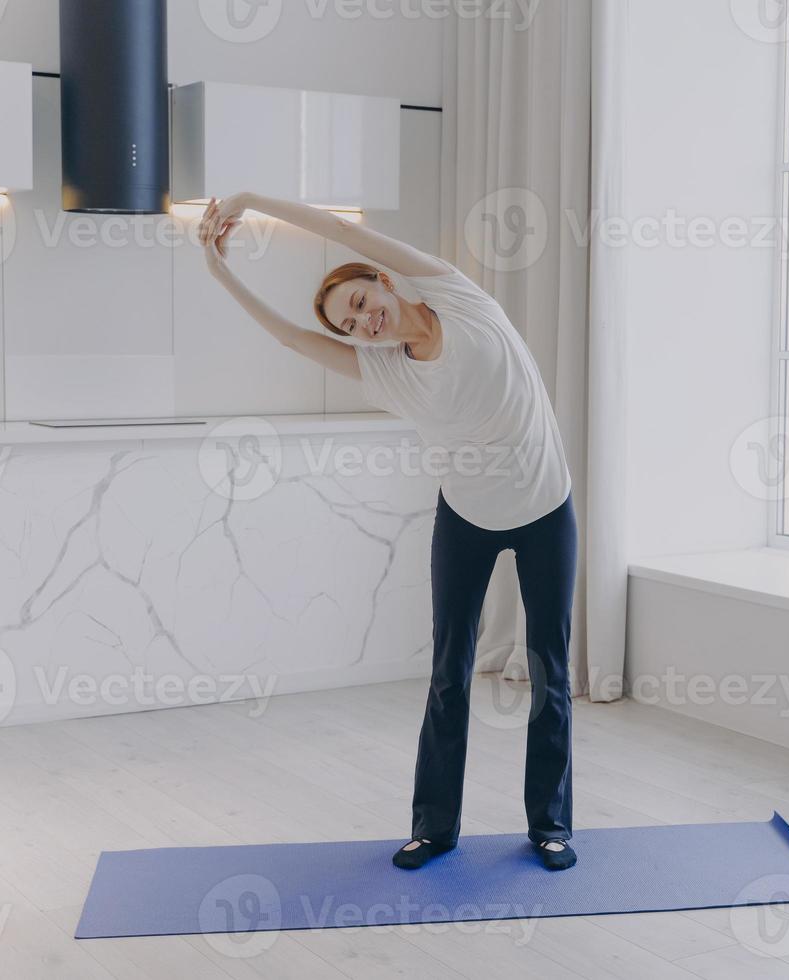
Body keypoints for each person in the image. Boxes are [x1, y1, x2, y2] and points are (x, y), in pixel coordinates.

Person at [198, 193, 578, 871]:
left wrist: (252, 201)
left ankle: (550, 826)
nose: (363, 321)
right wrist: (219, 270)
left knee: (549, 665)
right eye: (350, 324)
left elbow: (340, 228)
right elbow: (289, 336)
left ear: (382, 280)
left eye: (360, 301)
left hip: (546, 503)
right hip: (465, 515)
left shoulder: (453, 293)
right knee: (448, 674)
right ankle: (434, 829)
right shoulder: (384, 369)